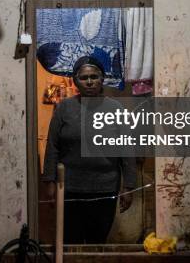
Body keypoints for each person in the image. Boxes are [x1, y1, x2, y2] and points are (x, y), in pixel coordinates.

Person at [42, 55, 136, 244]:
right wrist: (49, 181)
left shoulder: (116, 109)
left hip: (105, 189)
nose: (90, 82)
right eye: (84, 78)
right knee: (70, 241)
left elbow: (127, 150)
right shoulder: (64, 109)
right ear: (76, 81)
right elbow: (52, 146)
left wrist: (129, 186)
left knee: (96, 242)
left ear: (102, 79)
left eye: (94, 76)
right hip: (69, 189)